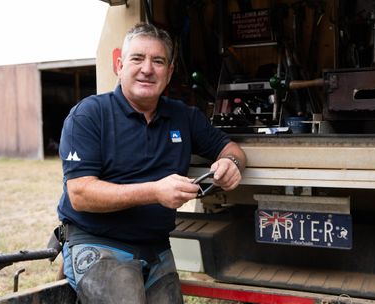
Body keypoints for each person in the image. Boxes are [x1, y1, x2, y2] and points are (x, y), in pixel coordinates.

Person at [56, 22, 246, 303]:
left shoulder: (183, 117)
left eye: (158, 61)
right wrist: (154, 191)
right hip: (98, 241)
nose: (147, 69)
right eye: (137, 59)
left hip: (155, 247)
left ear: (169, 73)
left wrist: (231, 163)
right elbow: (81, 194)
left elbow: (232, 149)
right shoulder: (89, 115)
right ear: (119, 65)